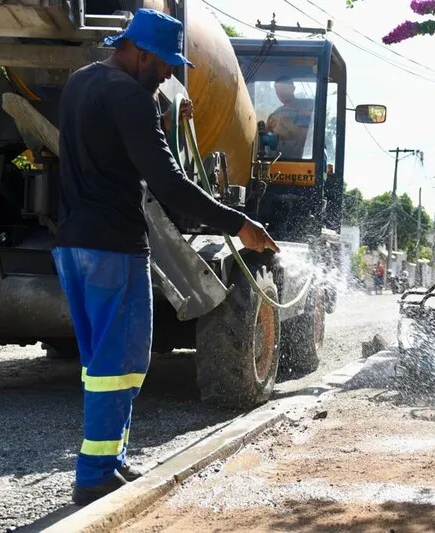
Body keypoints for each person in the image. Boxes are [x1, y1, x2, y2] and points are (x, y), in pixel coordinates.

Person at [53, 8, 279, 505]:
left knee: (99, 363)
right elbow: (171, 185)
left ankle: (108, 461)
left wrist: (160, 108)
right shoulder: (132, 99)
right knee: (124, 360)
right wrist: (240, 225)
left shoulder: (79, 84)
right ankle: (94, 473)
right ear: (138, 52)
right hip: (114, 246)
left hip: (71, 246)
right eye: (163, 65)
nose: (169, 73)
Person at [265, 75, 314, 159]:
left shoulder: (310, 105)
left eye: (283, 90)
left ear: (293, 89)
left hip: (305, 159)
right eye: (277, 91)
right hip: (280, 161)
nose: (280, 94)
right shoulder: (276, 114)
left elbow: (306, 136)